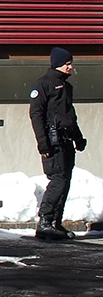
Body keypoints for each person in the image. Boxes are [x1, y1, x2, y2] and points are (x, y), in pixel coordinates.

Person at [29, 47, 87, 240]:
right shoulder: (44, 85)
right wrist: (43, 144)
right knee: (58, 180)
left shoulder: (66, 88)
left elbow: (70, 117)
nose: (71, 67)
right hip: (52, 143)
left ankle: (55, 222)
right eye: (67, 64)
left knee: (65, 181)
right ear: (58, 64)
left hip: (66, 141)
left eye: (71, 63)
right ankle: (44, 222)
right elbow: (36, 115)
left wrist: (78, 138)